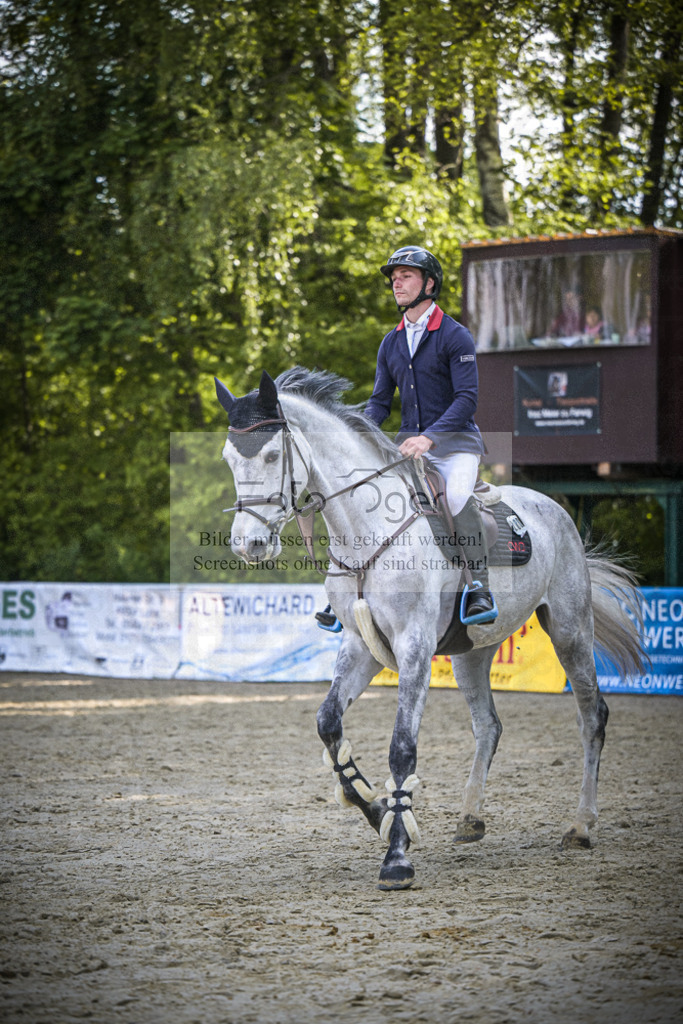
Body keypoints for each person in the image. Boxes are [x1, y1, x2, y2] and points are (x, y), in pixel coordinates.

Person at [316, 244, 497, 631]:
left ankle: (477, 585)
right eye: (394, 278)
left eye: (406, 276)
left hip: (455, 446)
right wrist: (356, 436)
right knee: (363, 497)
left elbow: (467, 399)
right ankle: (343, 592)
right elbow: (380, 403)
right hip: (408, 450)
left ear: (429, 283)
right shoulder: (391, 342)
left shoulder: (455, 335)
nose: (397, 283)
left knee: (458, 496)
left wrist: (429, 438)